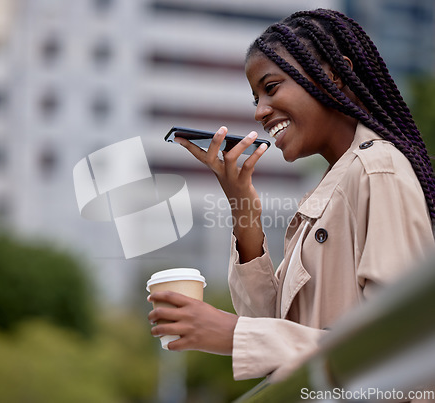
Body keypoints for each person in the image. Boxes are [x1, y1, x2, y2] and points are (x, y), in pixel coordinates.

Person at [148, 8, 435, 386]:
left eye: (270, 87)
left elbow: (399, 344)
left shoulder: (377, 168)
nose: (260, 111)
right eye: (255, 98)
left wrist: (234, 335)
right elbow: (273, 322)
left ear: (336, 74)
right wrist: (243, 207)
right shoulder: (332, 187)